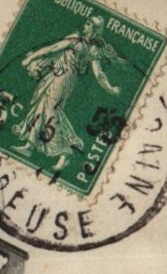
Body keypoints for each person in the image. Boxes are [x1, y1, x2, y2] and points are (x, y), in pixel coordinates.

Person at [11, 16, 123, 171]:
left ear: (95, 29)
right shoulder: (83, 43)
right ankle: (30, 145)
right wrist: (110, 88)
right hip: (59, 76)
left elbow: (53, 49)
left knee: (50, 110)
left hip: (63, 78)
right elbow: (55, 49)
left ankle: (64, 151)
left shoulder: (83, 44)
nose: (86, 25)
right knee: (43, 106)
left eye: (90, 24)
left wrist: (31, 57)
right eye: (87, 22)